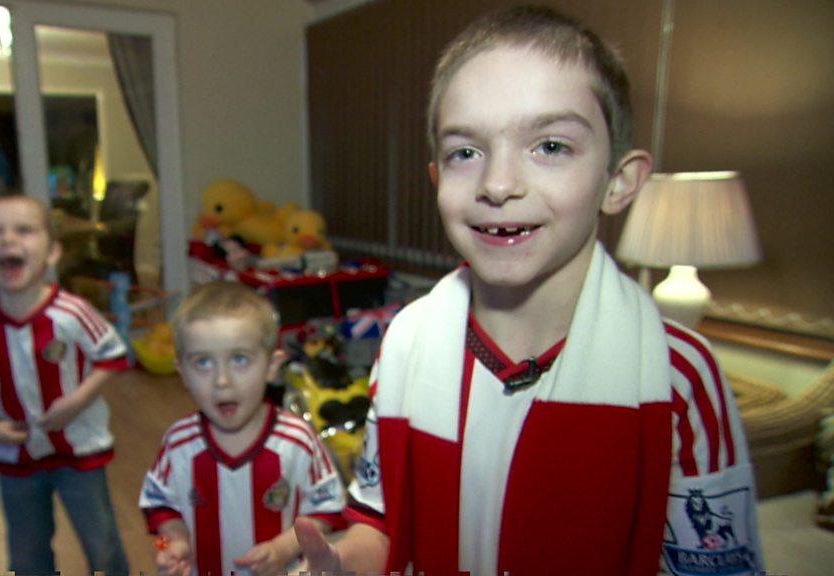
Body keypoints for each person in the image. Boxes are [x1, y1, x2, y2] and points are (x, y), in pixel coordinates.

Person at [294, 5, 764, 575]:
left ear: (617, 182)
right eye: (466, 152)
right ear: (438, 180)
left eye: (550, 146)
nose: (497, 184)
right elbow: (381, 519)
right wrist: (342, 563)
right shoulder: (407, 345)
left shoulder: (680, 379)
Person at [0, 194, 130, 575]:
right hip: (15, 457)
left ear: (52, 252)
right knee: (26, 551)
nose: (8, 240)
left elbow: (112, 355)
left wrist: (78, 400)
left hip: (80, 450)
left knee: (101, 543)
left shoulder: (73, 313)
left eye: (24, 230)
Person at [139, 281, 346, 575]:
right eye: (203, 362)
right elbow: (157, 510)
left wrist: (284, 548)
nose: (222, 380)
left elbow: (330, 509)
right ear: (182, 372)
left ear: (272, 367)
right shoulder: (178, 444)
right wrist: (171, 544)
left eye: (239, 359)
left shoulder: (298, 442)